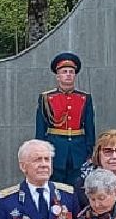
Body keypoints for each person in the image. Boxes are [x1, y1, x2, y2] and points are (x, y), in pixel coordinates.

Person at [35, 53, 97, 185]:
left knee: (78, 186)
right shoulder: (46, 98)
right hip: (55, 147)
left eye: (71, 72)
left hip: (78, 149)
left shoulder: (84, 98)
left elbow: (90, 128)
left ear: (75, 75)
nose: (68, 74)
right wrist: (40, 151)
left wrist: (90, 151)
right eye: (64, 72)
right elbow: (41, 128)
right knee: (55, 186)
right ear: (58, 76)